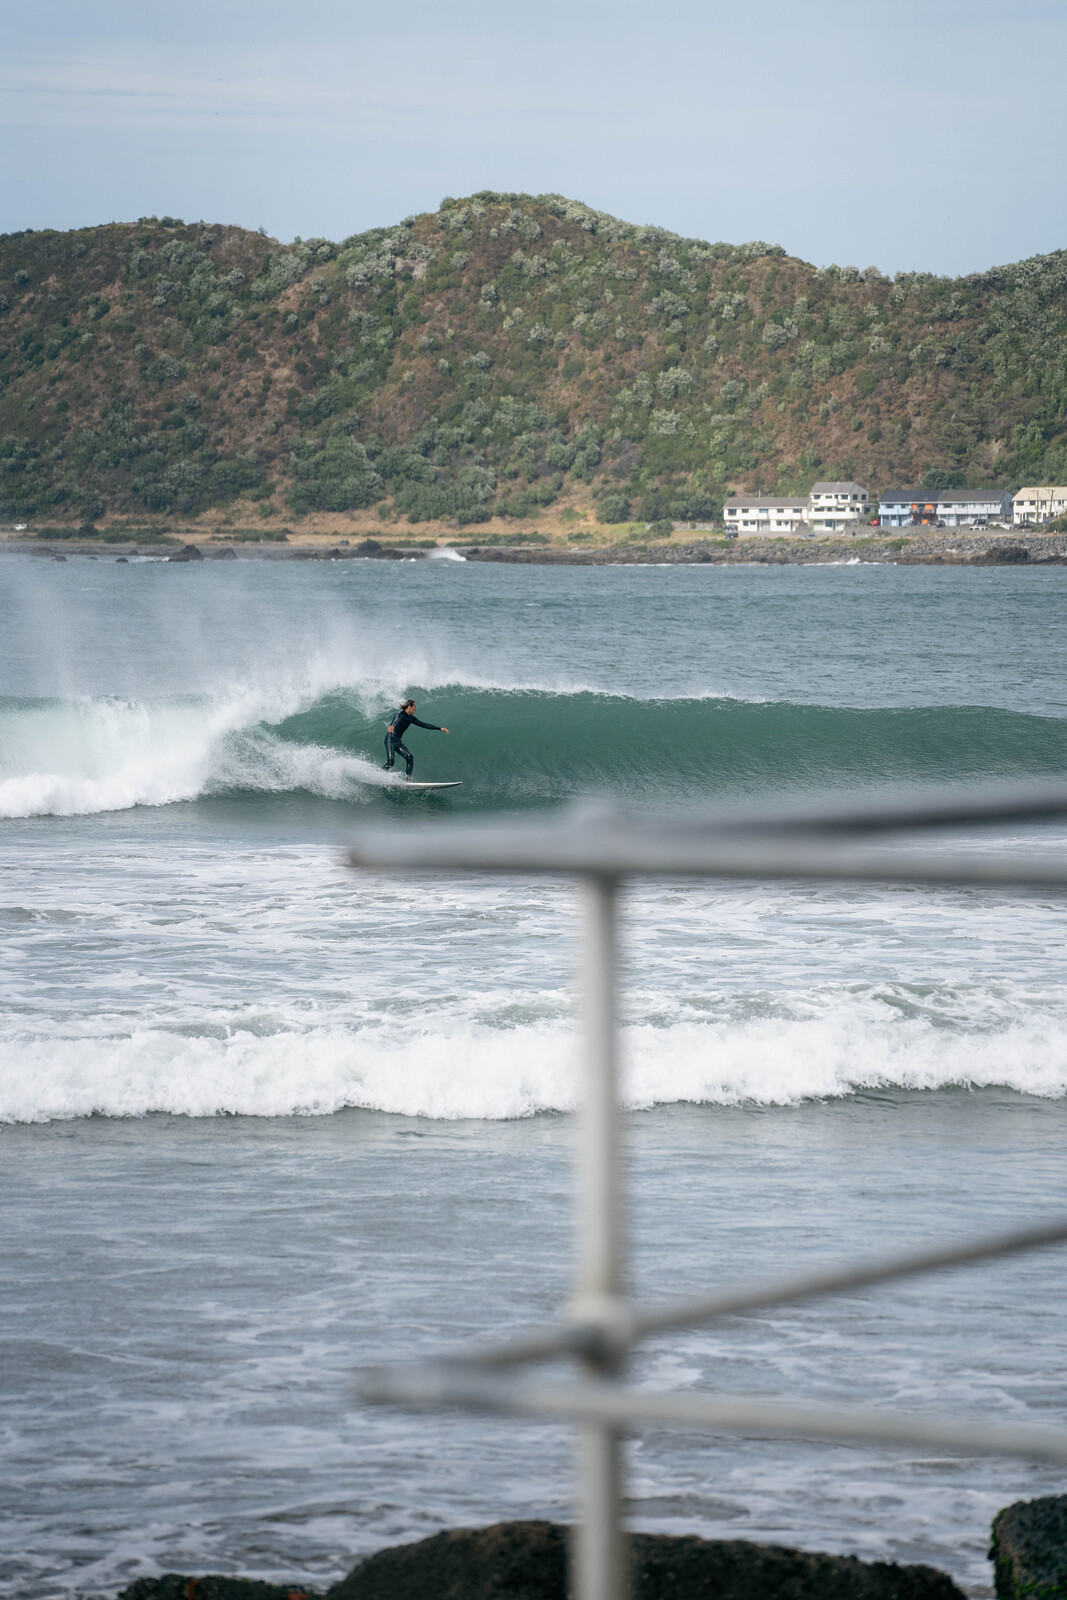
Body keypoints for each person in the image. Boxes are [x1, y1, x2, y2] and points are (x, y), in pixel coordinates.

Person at [383, 698, 449, 778]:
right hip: (390, 740)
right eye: (414, 706)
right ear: (409, 707)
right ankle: (381, 776)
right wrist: (392, 727)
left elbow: (424, 725)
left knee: (410, 757)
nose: (415, 709)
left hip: (398, 742)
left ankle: (408, 780)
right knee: (390, 762)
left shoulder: (411, 718)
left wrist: (440, 728)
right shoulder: (400, 714)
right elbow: (396, 721)